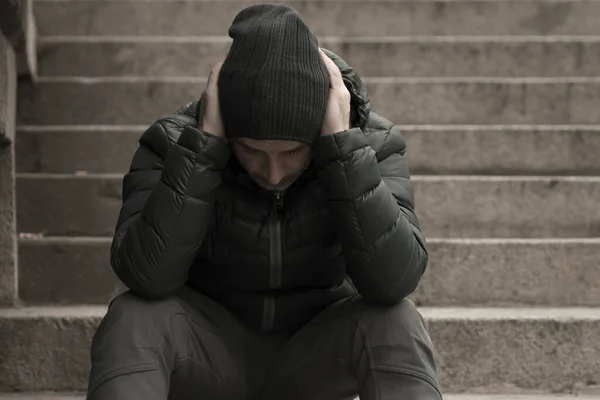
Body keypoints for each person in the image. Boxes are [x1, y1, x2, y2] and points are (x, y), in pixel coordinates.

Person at [86, 4, 442, 400]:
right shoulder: (174, 144)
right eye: (252, 151)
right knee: (133, 317)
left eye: (291, 153)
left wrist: (341, 153)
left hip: (316, 356)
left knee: (397, 320)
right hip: (207, 352)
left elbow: (394, 281)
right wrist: (205, 150)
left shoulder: (371, 146)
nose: (272, 172)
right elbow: (146, 277)